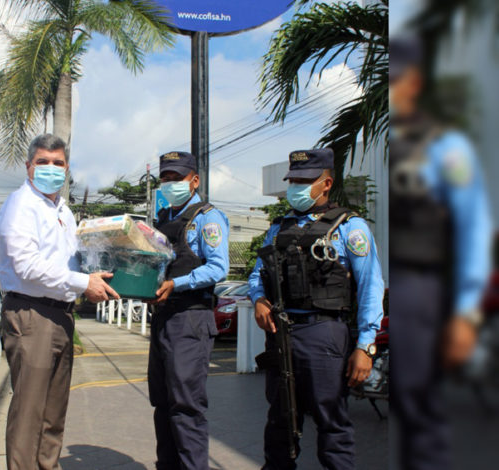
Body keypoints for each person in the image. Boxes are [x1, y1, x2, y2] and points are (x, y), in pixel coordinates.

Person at [389, 36, 491, 470]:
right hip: (393, 292)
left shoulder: (447, 149)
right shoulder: (390, 143)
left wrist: (467, 313)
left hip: (422, 289)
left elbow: (474, 231)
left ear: (414, 82)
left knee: (419, 412)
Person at [248, 148, 385, 470]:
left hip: (324, 332)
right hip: (281, 334)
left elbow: (370, 287)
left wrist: (366, 346)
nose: (296, 186)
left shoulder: (350, 227)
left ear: (326, 184)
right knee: (280, 423)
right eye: (292, 179)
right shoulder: (278, 228)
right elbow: (258, 274)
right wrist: (257, 300)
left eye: (304, 180)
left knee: (331, 423)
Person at [0, 134, 119, 470]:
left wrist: (102, 272)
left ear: (67, 168)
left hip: (61, 315)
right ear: (29, 166)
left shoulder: (61, 209)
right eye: (43, 161)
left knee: (53, 415)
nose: (51, 168)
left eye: (58, 163)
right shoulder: (21, 205)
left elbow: (71, 261)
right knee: (30, 415)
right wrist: (83, 283)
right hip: (31, 315)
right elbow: (27, 266)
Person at [147, 151, 229, 470]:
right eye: (164, 178)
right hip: (164, 317)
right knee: (163, 403)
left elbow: (218, 268)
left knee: (186, 406)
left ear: (194, 180)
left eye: (175, 178)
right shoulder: (163, 218)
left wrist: (176, 284)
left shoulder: (207, 217)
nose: (169, 183)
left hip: (191, 318)